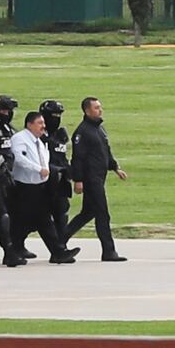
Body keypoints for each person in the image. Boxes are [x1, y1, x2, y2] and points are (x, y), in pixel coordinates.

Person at [9, 112, 78, 264]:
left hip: (38, 187)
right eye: (40, 123)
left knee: (43, 220)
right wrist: (38, 169)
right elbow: (19, 159)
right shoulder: (20, 139)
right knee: (21, 221)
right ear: (29, 124)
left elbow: (45, 159)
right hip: (24, 188)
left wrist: (45, 173)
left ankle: (58, 252)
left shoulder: (39, 142)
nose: (43, 126)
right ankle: (11, 251)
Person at [65, 97, 128, 262]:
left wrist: (115, 167)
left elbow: (106, 151)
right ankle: (108, 251)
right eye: (96, 108)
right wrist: (78, 180)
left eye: (100, 107)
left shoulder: (100, 129)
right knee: (102, 214)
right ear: (87, 111)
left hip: (100, 176)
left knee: (88, 213)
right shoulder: (82, 132)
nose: (100, 110)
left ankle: (59, 239)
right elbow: (77, 158)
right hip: (91, 178)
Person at [0, 94, 26, 267]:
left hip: (10, 177)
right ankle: (8, 252)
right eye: (3, 110)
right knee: (2, 215)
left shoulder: (10, 129)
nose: (7, 113)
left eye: (9, 110)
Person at [39, 99, 74, 251]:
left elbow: (63, 156)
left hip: (61, 180)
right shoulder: (39, 136)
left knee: (62, 213)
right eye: (53, 115)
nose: (56, 119)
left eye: (59, 115)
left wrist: (70, 171)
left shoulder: (61, 135)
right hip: (44, 181)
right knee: (37, 217)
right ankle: (17, 244)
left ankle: (61, 246)